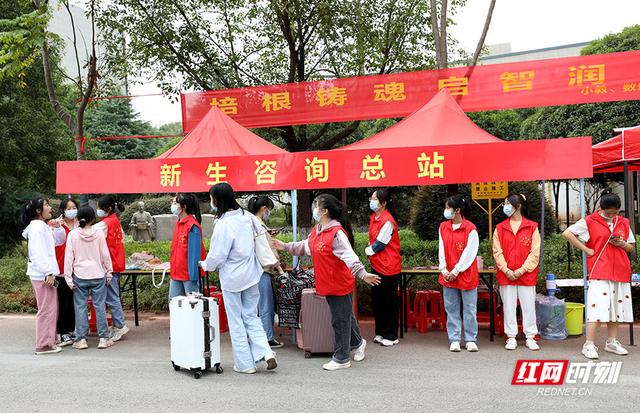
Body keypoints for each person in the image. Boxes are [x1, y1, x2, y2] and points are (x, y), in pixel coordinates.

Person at [273, 194, 381, 371]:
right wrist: (284, 246)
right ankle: (358, 342)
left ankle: (341, 358)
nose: (314, 208)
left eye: (316, 205)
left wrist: (362, 274)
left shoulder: (336, 233)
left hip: (340, 283)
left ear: (324, 211)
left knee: (339, 320)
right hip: (327, 283)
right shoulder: (317, 230)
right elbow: (304, 246)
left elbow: (349, 256)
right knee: (344, 316)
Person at [200, 183, 278, 374]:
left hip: (232, 279)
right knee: (252, 316)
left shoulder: (223, 224)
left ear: (217, 200)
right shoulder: (248, 217)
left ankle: (245, 364)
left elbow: (218, 255)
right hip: (252, 275)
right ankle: (266, 352)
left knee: (236, 321)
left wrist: (205, 265)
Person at [563, 189, 634, 359]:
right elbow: (567, 233)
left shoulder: (623, 222)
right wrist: (586, 249)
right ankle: (588, 343)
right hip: (599, 269)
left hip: (621, 269)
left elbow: (631, 247)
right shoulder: (590, 220)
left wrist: (622, 243)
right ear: (600, 208)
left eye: (615, 212)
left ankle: (611, 341)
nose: (611, 215)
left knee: (616, 307)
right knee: (597, 307)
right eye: (608, 213)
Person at [492, 194, 541, 351]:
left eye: (508, 203)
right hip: (506, 275)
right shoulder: (500, 228)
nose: (504, 206)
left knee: (528, 307)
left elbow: (535, 252)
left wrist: (521, 270)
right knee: (509, 306)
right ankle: (511, 336)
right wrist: (506, 269)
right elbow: (496, 251)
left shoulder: (532, 227)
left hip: (526, 274)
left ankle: (530, 336)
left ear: (518, 205)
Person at [20, 198, 67, 355]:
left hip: (43, 273)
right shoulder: (38, 228)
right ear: (38, 211)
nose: (50, 208)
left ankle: (48, 341)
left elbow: (58, 241)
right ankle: (44, 344)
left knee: (49, 308)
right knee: (47, 309)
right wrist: (48, 272)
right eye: (46, 205)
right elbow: (38, 253)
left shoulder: (40, 226)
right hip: (43, 274)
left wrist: (58, 227)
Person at [64, 206, 114, 349]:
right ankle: (104, 338)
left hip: (80, 275)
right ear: (93, 218)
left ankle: (81, 340)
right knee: (99, 306)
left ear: (78, 218)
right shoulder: (98, 233)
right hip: (98, 274)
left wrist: (68, 278)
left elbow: (69, 258)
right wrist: (109, 271)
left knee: (80, 307)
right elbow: (105, 254)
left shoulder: (73, 234)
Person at [438, 194, 479, 353]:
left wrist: (456, 270)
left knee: (469, 308)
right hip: (448, 274)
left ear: (458, 210)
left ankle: (470, 339)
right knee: (451, 307)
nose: (446, 211)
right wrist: (444, 269)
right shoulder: (443, 227)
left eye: (448, 208)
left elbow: (469, 253)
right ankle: (454, 338)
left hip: (465, 274)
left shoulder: (470, 229)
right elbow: (441, 248)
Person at [365, 188, 402, 347]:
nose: (371, 201)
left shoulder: (388, 220)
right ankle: (380, 331)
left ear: (384, 203)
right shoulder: (374, 218)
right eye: (371, 198)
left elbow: (380, 243)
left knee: (389, 301)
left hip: (389, 266)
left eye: (374, 199)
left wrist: (368, 250)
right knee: (378, 300)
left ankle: (391, 335)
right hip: (377, 264)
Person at [248, 196, 285, 349]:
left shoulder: (254, 223)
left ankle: (262, 337)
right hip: (263, 270)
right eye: (269, 209)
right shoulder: (258, 225)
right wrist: (280, 269)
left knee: (260, 305)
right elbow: (266, 250)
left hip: (256, 270)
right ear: (264, 209)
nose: (269, 212)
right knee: (266, 306)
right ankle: (267, 338)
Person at [95, 196, 129, 342]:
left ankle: (120, 325)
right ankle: (117, 324)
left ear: (107, 209)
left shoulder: (104, 224)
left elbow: (89, 232)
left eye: (99, 208)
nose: (97, 211)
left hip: (109, 264)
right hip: (116, 261)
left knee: (112, 296)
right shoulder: (115, 221)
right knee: (114, 296)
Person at [168, 193, 206, 301]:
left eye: (175, 203)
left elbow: (194, 256)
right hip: (176, 274)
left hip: (189, 277)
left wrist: (194, 279)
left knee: (192, 307)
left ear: (184, 206)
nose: (172, 205)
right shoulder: (179, 223)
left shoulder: (192, 226)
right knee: (174, 304)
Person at [53, 198, 79, 347]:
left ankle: (73, 330)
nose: (71, 210)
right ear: (62, 210)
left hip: (76, 269)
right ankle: (62, 333)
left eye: (74, 207)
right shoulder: (57, 224)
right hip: (60, 268)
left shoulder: (80, 224)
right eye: (68, 208)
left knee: (74, 302)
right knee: (63, 302)